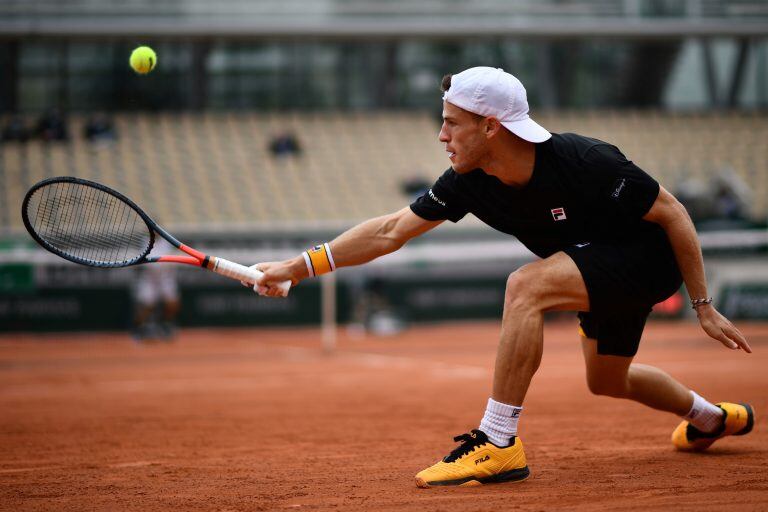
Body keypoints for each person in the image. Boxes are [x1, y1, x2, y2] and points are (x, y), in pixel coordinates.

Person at [248, 67, 754, 488]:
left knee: (524, 286)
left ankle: (498, 442)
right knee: (607, 380)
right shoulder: (468, 182)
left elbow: (673, 212)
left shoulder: (585, 160)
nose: (442, 135)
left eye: (452, 124)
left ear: (491, 127)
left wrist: (703, 304)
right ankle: (713, 418)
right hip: (595, 271)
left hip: (648, 262)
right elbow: (389, 232)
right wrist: (297, 266)